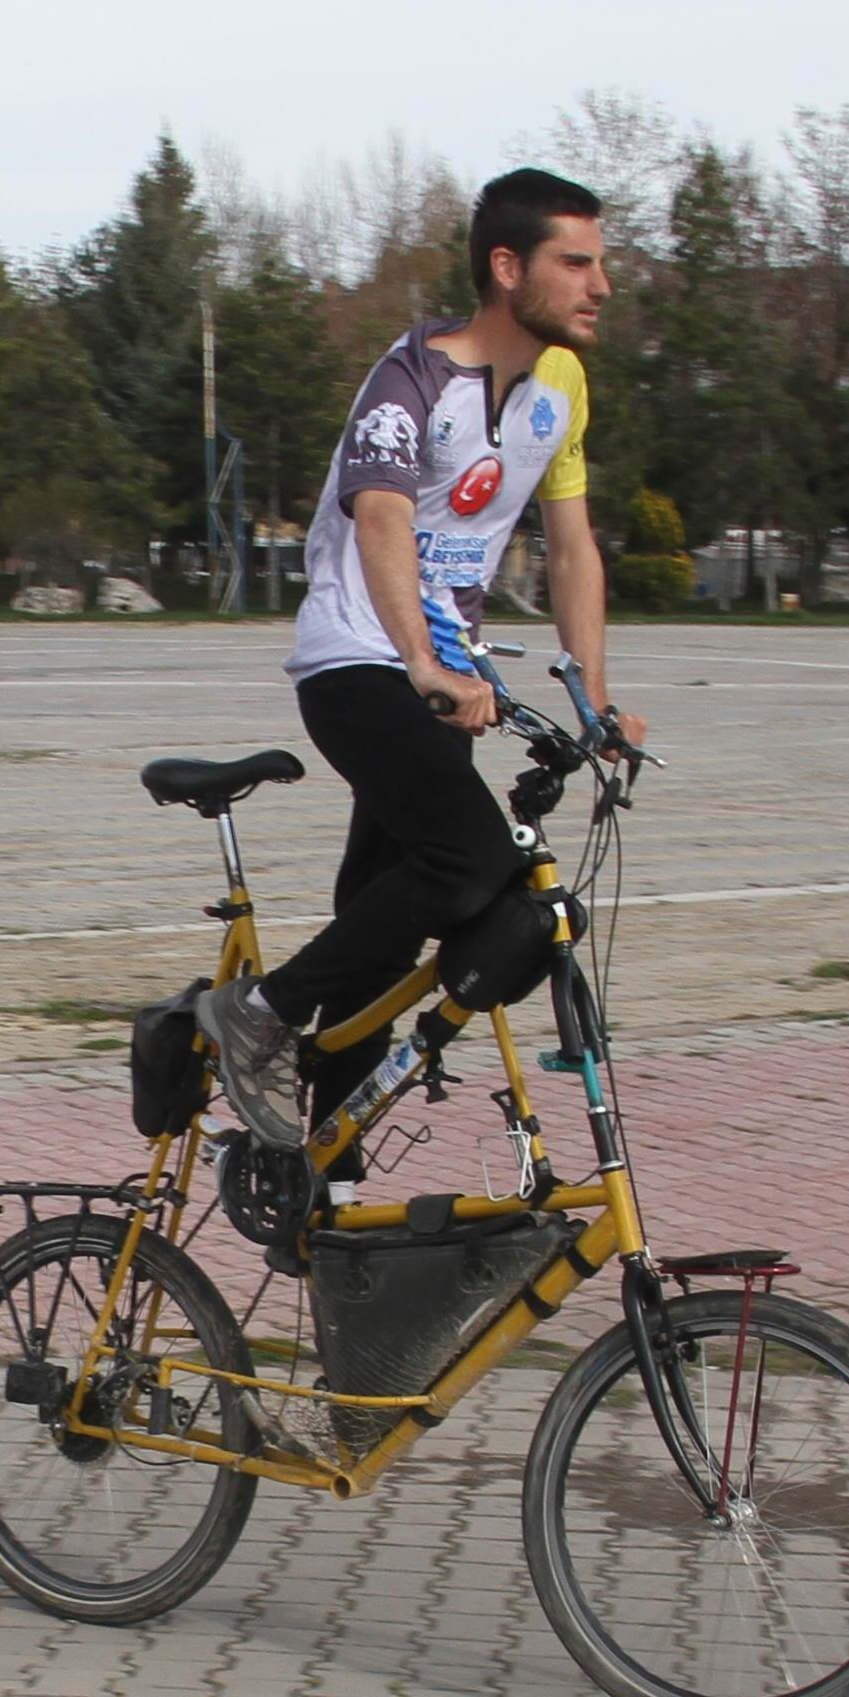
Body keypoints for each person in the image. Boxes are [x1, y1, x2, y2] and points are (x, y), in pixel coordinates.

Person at [196, 169, 640, 1139]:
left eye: (602, 264)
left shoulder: (553, 397)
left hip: (443, 676)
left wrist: (593, 699)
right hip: (359, 661)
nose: (600, 285)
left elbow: (571, 547)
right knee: (468, 861)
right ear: (506, 265)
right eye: (577, 263)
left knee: (381, 928)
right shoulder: (414, 380)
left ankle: (325, 1176)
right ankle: (256, 1014)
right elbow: (383, 523)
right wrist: (426, 665)